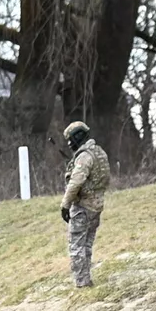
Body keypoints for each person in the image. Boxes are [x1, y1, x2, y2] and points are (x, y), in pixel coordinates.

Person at [59, 120, 111, 288]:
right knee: (86, 245)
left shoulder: (84, 157)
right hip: (97, 206)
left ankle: (82, 283)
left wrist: (65, 205)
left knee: (76, 247)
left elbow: (75, 183)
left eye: (70, 140)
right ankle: (86, 279)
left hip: (83, 207)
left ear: (76, 138)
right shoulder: (99, 152)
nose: (69, 145)